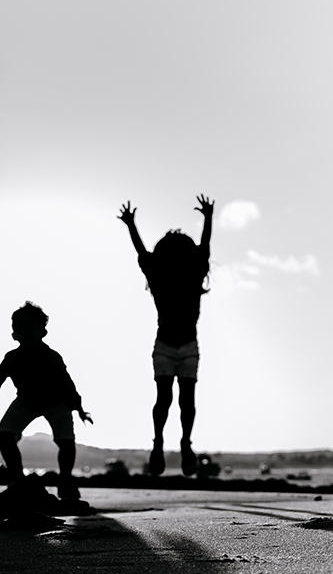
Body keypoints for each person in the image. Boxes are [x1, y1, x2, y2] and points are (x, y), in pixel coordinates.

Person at [0, 301, 92, 501]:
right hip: (26, 401)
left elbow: (67, 384)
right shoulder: (12, 358)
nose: (24, 331)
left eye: (30, 326)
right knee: (4, 435)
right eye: (18, 327)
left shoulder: (52, 357)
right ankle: (18, 481)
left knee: (66, 441)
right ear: (13, 334)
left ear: (43, 332)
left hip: (57, 402)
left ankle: (65, 482)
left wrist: (79, 409)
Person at [117, 195, 213, 477]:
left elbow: (143, 252)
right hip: (167, 346)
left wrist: (131, 224)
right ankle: (160, 444)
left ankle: (183, 444)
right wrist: (208, 218)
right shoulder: (173, 275)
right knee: (171, 400)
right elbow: (202, 248)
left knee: (178, 400)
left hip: (185, 347)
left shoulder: (182, 274)